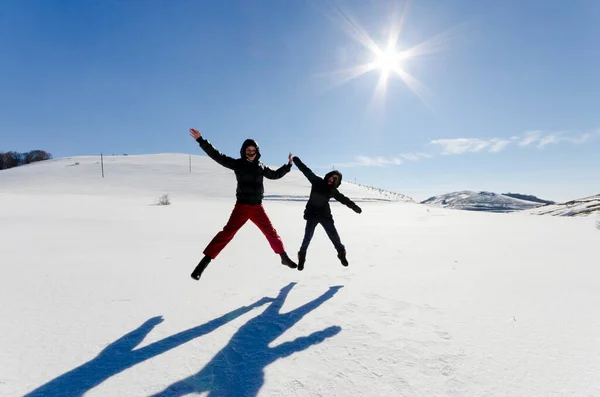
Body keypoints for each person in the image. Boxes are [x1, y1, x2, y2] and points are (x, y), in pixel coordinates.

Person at [189, 128, 298, 281]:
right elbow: (218, 156)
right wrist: (201, 140)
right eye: (248, 150)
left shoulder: (261, 167)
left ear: (257, 151)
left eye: (253, 150)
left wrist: (287, 166)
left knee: (271, 233)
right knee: (227, 234)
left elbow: (274, 175)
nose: (251, 152)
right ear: (244, 151)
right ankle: (202, 265)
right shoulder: (238, 164)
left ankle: (283, 257)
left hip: (257, 208)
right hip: (241, 207)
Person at [292, 155, 362, 271]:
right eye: (331, 177)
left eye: (335, 179)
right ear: (328, 176)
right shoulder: (316, 181)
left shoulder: (333, 191)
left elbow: (343, 199)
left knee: (334, 236)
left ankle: (341, 254)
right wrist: (296, 161)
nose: (332, 179)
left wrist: (354, 206)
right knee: (307, 237)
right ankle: (302, 258)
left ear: (337, 182)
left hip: (325, 215)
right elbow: (306, 170)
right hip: (312, 214)